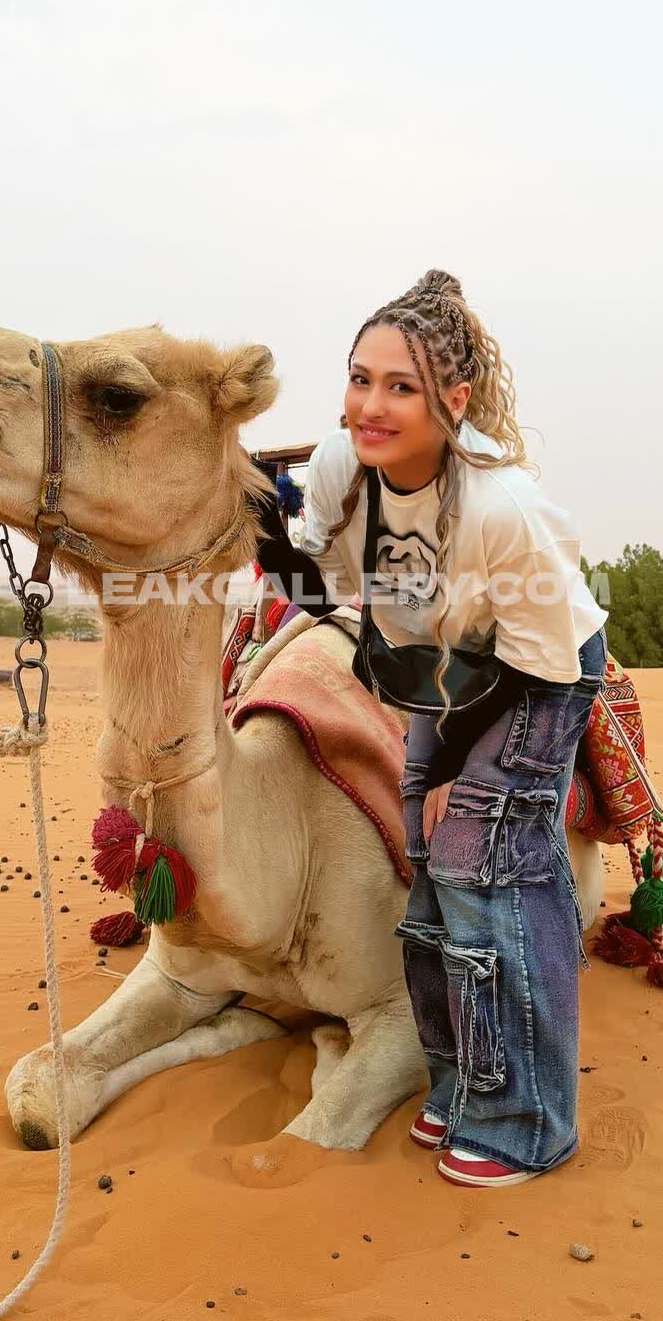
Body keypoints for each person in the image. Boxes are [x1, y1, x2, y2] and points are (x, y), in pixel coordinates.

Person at [250, 270, 607, 1188]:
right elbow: (328, 593)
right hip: (440, 676)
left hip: (536, 675)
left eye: (400, 387)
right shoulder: (344, 466)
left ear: (453, 400)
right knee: (426, 883)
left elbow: (536, 663)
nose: (371, 406)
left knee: (482, 862)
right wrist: (264, 533)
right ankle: (459, 1082)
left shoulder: (502, 509)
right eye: (359, 378)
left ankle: (529, 1122)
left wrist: (452, 765)